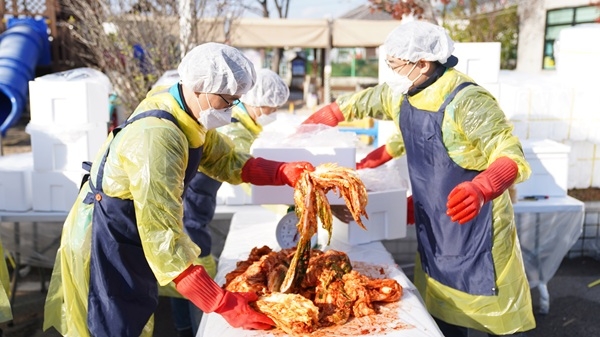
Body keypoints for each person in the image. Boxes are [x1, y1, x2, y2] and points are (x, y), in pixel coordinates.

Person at [42, 42, 314, 337]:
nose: (232, 109)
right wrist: (222, 303)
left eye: (237, 100)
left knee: (133, 314)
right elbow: (163, 238)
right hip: (108, 242)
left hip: (132, 234)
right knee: (112, 324)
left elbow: (226, 159)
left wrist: (281, 171)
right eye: (227, 99)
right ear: (199, 87)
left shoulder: (188, 115)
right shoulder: (158, 138)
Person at [302, 20, 535, 337]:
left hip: (473, 225)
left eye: (396, 67)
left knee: (477, 315)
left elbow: (509, 151)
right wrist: (331, 115)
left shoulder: (467, 100)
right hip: (434, 222)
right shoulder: (406, 89)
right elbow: (372, 101)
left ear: (424, 63)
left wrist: (485, 186)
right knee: (439, 312)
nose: (391, 75)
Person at [169, 68, 290, 337]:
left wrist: (281, 181)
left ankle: (185, 329)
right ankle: (192, 330)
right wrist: (285, 205)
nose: (273, 113)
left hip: (194, 209)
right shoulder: (234, 130)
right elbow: (241, 174)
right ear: (257, 102)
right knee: (193, 273)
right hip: (188, 212)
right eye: (271, 107)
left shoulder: (239, 125)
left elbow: (238, 168)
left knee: (182, 278)